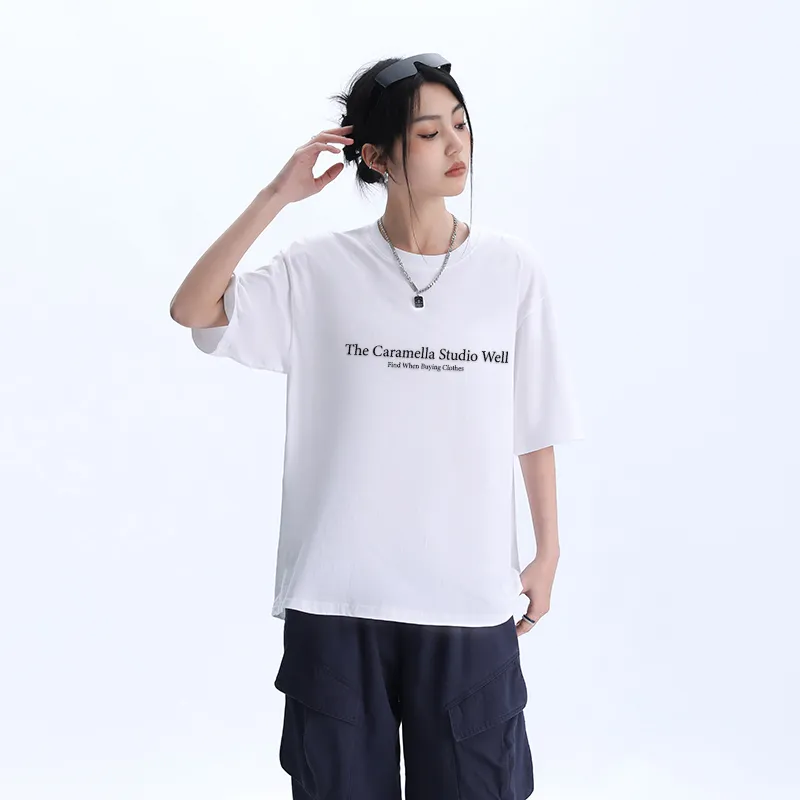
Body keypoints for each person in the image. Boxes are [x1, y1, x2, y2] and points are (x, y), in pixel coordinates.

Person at [170, 53, 584, 800]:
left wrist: (548, 551)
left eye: (460, 125)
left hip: (468, 600)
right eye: (429, 133)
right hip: (338, 601)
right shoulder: (317, 270)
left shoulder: (511, 271)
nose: (456, 145)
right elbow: (193, 308)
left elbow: (535, 421)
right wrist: (275, 197)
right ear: (377, 156)